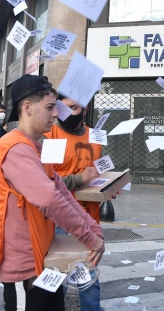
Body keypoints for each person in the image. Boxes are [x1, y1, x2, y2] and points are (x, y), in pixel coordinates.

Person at [0, 75, 105, 309]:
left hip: (46, 259)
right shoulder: (15, 148)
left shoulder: (36, 147)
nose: (56, 114)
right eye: (50, 107)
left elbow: (62, 193)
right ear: (27, 107)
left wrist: (93, 228)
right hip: (25, 267)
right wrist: (90, 238)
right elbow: (50, 199)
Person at [44, 94, 112, 311]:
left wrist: (109, 187)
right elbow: (46, 183)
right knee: (58, 274)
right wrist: (79, 179)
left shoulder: (97, 135)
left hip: (89, 217)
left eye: (73, 107)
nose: (67, 113)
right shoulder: (50, 136)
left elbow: (101, 170)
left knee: (89, 275)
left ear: (84, 109)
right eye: (63, 108)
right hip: (60, 217)